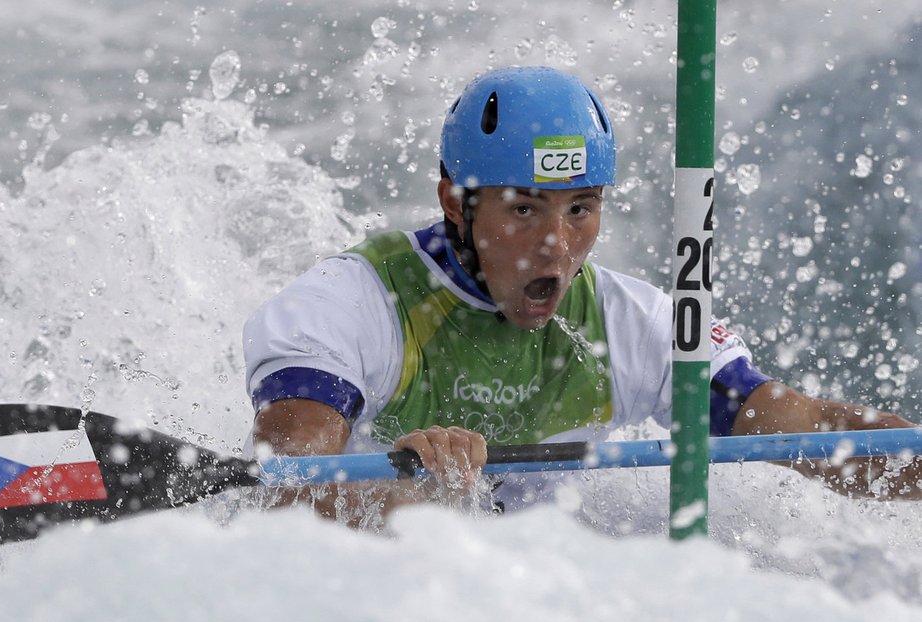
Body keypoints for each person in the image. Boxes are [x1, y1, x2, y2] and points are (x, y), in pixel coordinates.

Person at [242, 66, 917, 521]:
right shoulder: (350, 305)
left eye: (581, 209)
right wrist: (393, 491)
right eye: (526, 210)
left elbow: (802, 429)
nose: (557, 248)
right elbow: (285, 504)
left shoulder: (635, 322)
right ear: (454, 200)